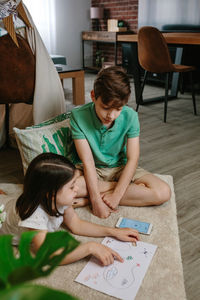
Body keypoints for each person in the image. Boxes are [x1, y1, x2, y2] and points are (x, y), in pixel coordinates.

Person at [0, 152, 139, 266]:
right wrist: (89, 247)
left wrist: (112, 232)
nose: (77, 189)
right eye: (72, 186)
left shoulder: (61, 199)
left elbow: (76, 225)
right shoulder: (34, 216)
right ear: (51, 194)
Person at [70, 66, 171, 218]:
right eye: (105, 107)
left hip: (120, 167)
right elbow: (88, 161)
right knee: (67, 189)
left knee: (163, 192)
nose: (111, 115)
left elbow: (133, 159)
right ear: (93, 96)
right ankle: (120, 190)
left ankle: (89, 198)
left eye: (118, 109)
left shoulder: (131, 116)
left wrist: (116, 196)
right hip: (92, 169)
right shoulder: (78, 116)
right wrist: (97, 202)